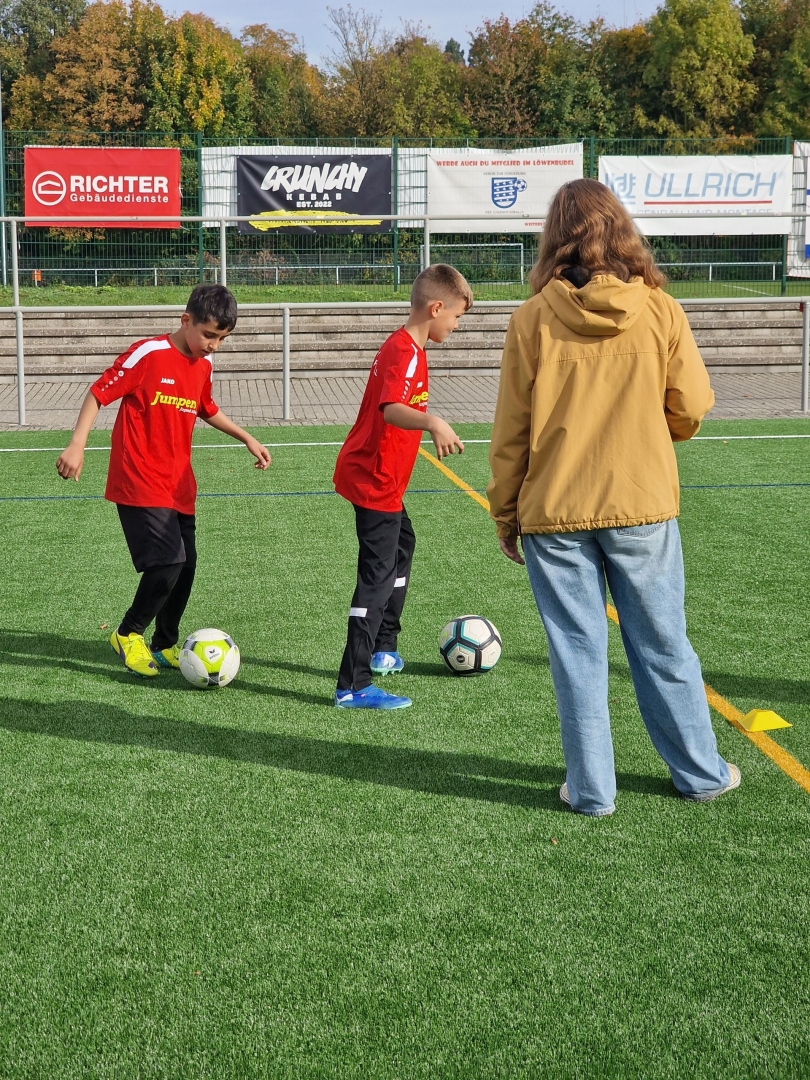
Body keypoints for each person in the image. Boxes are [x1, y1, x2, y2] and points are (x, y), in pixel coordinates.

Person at [488, 178, 739, 816]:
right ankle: (701, 773)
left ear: (554, 238)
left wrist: (505, 513)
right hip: (642, 502)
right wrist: (655, 430)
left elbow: (511, 431)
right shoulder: (660, 309)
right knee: (664, 643)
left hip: (554, 511)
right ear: (622, 231)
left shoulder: (532, 318)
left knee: (577, 655)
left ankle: (593, 791)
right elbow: (693, 406)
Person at [55, 284, 271, 678]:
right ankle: (128, 633)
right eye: (208, 335)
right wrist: (76, 444)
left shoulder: (204, 364)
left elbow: (206, 407)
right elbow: (98, 393)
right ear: (185, 320)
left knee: (186, 565)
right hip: (139, 479)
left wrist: (246, 437)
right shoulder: (149, 354)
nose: (214, 346)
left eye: (222, 339)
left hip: (178, 485)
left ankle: (164, 642)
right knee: (169, 561)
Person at [333, 264, 473, 709]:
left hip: (383, 481)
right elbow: (390, 408)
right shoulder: (403, 351)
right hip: (374, 480)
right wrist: (434, 421)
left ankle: (383, 647)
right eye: (456, 317)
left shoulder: (411, 347)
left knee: (402, 546)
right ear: (436, 308)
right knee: (375, 578)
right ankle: (352, 685)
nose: (456, 325)